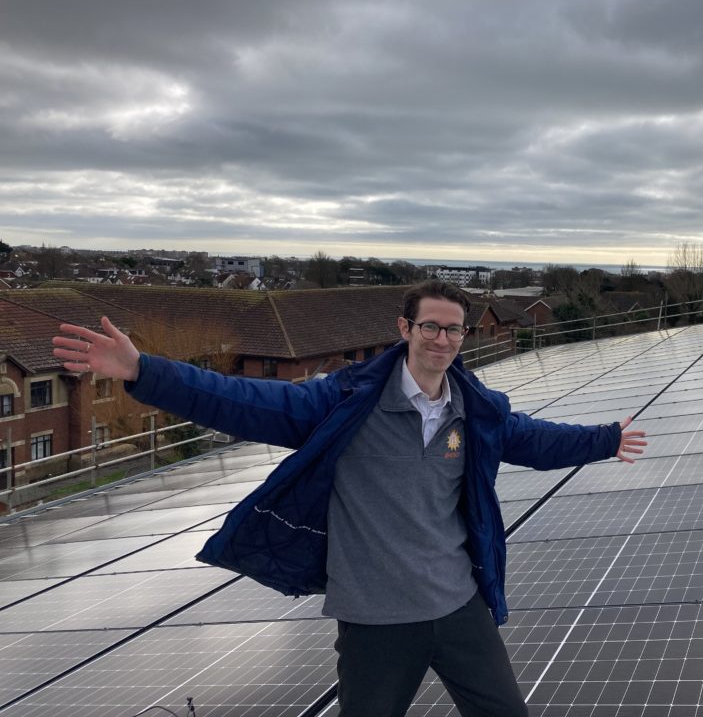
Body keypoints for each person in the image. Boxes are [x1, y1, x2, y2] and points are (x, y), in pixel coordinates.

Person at [52, 280, 646, 716]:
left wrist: (604, 439)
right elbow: (244, 400)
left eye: (454, 328)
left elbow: (534, 440)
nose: (442, 338)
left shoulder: (477, 410)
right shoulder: (344, 401)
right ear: (405, 329)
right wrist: (143, 371)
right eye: (431, 326)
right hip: (375, 618)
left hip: (459, 605)